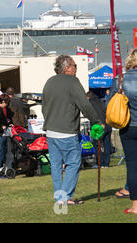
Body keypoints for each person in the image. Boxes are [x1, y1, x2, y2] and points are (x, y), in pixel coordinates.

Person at [42, 55, 103, 205]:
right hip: (67, 131)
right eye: (75, 66)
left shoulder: (49, 82)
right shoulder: (73, 82)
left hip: (50, 131)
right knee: (73, 163)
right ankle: (65, 197)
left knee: (56, 166)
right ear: (68, 68)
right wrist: (96, 121)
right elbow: (85, 105)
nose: (76, 69)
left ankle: (60, 198)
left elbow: (44, 107)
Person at [109, 48, 137, 214]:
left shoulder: (120, 80)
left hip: (128, 127)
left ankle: (135, 206)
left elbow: (109, 105)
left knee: (133, 166)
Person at [86, 91, 112, 168]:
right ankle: (106, 163)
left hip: (98, 125)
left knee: (96, 144)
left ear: (88, 97)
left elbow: (92, 115)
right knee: (107, 144)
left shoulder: (91, 103)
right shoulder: (101, 101)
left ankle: (99, 163)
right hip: (107, 124)